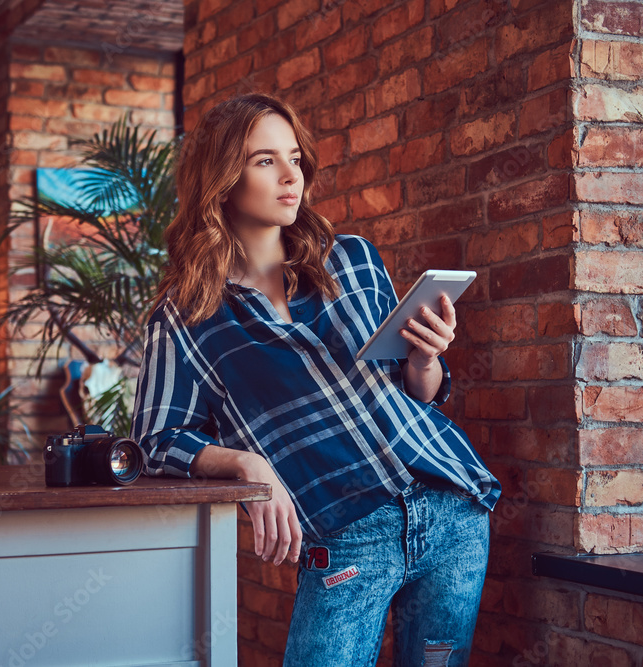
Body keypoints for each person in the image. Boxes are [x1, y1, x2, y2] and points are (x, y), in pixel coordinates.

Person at [130, 93, 501, 667]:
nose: (289, 175)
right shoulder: (186, 317)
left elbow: (414, 389)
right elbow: (156, 440)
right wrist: (250, 467)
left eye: (296, 158)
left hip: (452, 509)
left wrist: (426, 360)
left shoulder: (352, 259)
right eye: (264, 160)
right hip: (346, 531)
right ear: (223, 180)